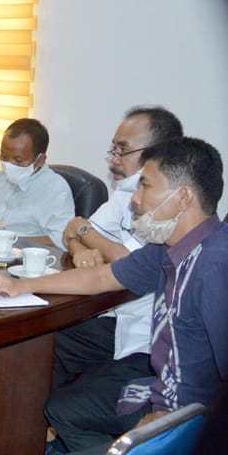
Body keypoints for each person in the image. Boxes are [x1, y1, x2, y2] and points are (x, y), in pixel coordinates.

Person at [0, 137, 228, 455]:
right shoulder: (171, 246)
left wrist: (165, 427)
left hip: (190, 421)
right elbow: (100, 278)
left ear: (184, 197)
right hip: (160, 386)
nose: (135, 198)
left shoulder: (220, 267)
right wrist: (21, 285)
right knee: (63, 408)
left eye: (146, 184)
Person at [54, 106, 183, 389]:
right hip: (110, 308)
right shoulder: (125, 192)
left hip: (143, 330)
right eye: (113, 149)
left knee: (49, 347)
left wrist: (83, 230)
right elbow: (71, 232)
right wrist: (79, 248)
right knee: (45, 341)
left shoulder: (165, 201)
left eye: (122, 150)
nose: (113, 160)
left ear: (158, 152)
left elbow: (128, 262)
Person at [0, 118, 74, 248]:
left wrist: (8, 240)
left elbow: (62, 239)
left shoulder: (56, 189)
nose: (8, 165)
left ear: (40, 160)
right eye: (4, 156)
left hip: (26, 262)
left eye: (18, 160)